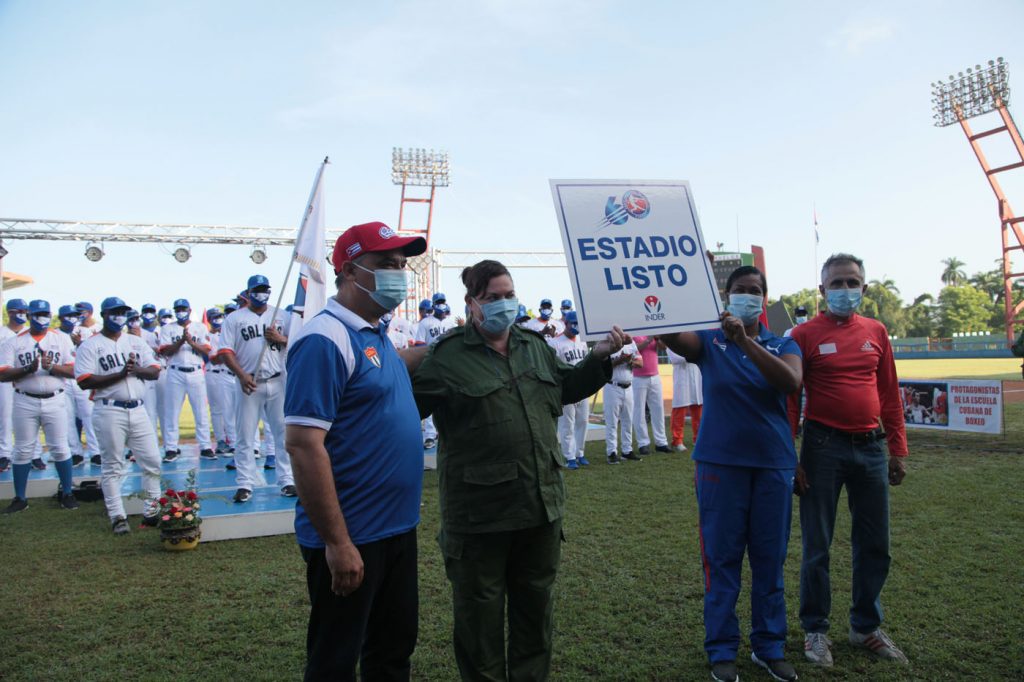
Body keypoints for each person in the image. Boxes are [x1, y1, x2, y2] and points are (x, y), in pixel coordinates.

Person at [412, 259, 626, 681]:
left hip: (540, 506)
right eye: (493, 298)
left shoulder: (534, 346)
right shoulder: (447, 357)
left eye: (509, 295)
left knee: (534, 618)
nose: (504, 304)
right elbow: (405, 411)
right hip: (479, 517)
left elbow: (565, 387)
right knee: (480, 624)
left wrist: (599, 357)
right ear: (472, 303)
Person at [284, 221, 427, 681]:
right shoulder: (323, 340)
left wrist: (434, 349)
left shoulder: (374, 333)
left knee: (391, 652)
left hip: (396, 529)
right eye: (386, 264)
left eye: (402, 265)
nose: (398, 274)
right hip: (353, 536)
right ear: (349, 270)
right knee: (336, 661)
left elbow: (377, 375)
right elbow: (304, 446)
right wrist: (338, 543)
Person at [661, 265, 803, 682]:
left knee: (769, 560)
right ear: (726, 298)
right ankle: (721, 648)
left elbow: (789, 382)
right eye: (739, 290)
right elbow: (674, 337)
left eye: (755, 291)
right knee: (721, 560)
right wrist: (654, 308)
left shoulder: (783, 344)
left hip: (773, 465)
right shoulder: (709, 342)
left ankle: (768, 646)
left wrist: (745, 340)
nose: (748, 296)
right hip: (720, 467)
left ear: (764, 298)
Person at [788, 253, 909, 667]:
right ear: (822, 291)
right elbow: (790, 400)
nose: (845, 289)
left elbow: (890, 394)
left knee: (875, 543)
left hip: (872, 448)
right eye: (836, 283)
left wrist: (897, 450)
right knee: (817, 545)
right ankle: (816, 631)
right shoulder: (803, 335)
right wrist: (792, 457)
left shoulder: (876, 331)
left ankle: (865, 627)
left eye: (852, 282)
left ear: (865, 287)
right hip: (822, 448)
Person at [75, 297, 163, 535]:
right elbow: (84, 381)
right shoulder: (90, 345)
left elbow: (154, 371)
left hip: (138, 408)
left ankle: (153, 510)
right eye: (114, 313)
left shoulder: (135, 342)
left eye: (123, 312)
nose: (119, 317)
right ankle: (117, 516)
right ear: (104, 315)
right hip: (109, 408)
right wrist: (121, 374)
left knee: (153, 461)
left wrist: (135, 370)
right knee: (113, 465)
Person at [216, 275, 296, 501]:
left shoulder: (282, 314)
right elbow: (225, 351)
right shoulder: (235, 318)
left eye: (265, 289)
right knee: (245, 435)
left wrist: (280, 338)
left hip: (278, 380)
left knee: (282, 433)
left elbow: (298, 340)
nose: (261, 293)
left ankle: (287, 480)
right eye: (257, 289)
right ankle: (245, 483)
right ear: (248, 292)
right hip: (249, 382)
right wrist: (241, 375)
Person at [0, 300, 78, 513]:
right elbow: (2, 374)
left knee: (60, 447)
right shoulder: (14, 342)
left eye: (45, 314)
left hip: (55, 398)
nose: (42, 318)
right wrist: (27, 368)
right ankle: (20, 498)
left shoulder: (61, 339)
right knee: (23, 449)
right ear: (29, 316)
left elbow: (73, 371)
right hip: (25, 399)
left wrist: (52, 367)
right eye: (37, 314)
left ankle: (68, 493)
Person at [158, 299, 215, 461]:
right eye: (178, 309)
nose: (180, 311)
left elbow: (206, 350)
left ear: (190, 310)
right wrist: (182, 341)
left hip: (196, 371)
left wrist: (190, 342)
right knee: (172, 412)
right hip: (175, 371)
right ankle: (171, 448)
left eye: (183, 309)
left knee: (201, 411)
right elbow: (166, 352)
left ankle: (205, 447)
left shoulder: (200, 327)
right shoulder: (167, 328)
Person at [548, 311, 592, 468]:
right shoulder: (555, 343)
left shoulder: (582, 341)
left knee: (583, 421)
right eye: (573, 323)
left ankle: (580, 453)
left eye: (578, 323)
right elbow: (553, 368)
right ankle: (569, 456)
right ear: (565, 323)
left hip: (582, 388)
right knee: (567, 424)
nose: (576, 326)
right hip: (566, 388)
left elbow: (586, 362)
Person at [0, 298, 29, 473]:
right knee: (4, 416)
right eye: (19, 311)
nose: (22, 314)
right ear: (10, 312)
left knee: (27, 416)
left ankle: (34, 454)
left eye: (25, 311)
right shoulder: (2, 332)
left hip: (27, 377)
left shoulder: (29, 333)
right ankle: (4, 453)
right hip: (5, 378)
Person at [603, 335, 641, 464]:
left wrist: (629, 361)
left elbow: (640, 363)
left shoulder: (631, 343)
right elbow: (604, 366)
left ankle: (627, 450)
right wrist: (620, 360)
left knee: (628, 420)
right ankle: (611, 452)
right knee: (612, 422)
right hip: (612, 386)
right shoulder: (608, 344)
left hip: (629, 386)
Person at [205, 307, 237, 455]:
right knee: (217, 410)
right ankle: (221, 440)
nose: (218, 319)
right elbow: (213, 358)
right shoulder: (207, 336)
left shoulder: (229, 333)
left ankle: (233, 439)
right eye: (215, 317)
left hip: (230, 373)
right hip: (213, 372)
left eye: (220, 316)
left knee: (232, 409)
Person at [631, 336, 671, 454]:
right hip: (638, 377)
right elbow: (635, 349)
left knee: (658, 409)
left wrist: (658, 339)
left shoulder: (653, 333)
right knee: (639, 411)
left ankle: (661, 442)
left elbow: (663, 347)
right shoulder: (634, 334)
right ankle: (643, 443)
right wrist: (649, 339)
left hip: (655, 376)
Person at [667, 347, 703, 451]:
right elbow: (675, 358)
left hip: (696, 375)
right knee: (680, 408)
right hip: (682, 377)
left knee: (698, 406)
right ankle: (677, 440)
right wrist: (693, 354)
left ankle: (698, 438)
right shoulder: (672, 340)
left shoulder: (693, 338)